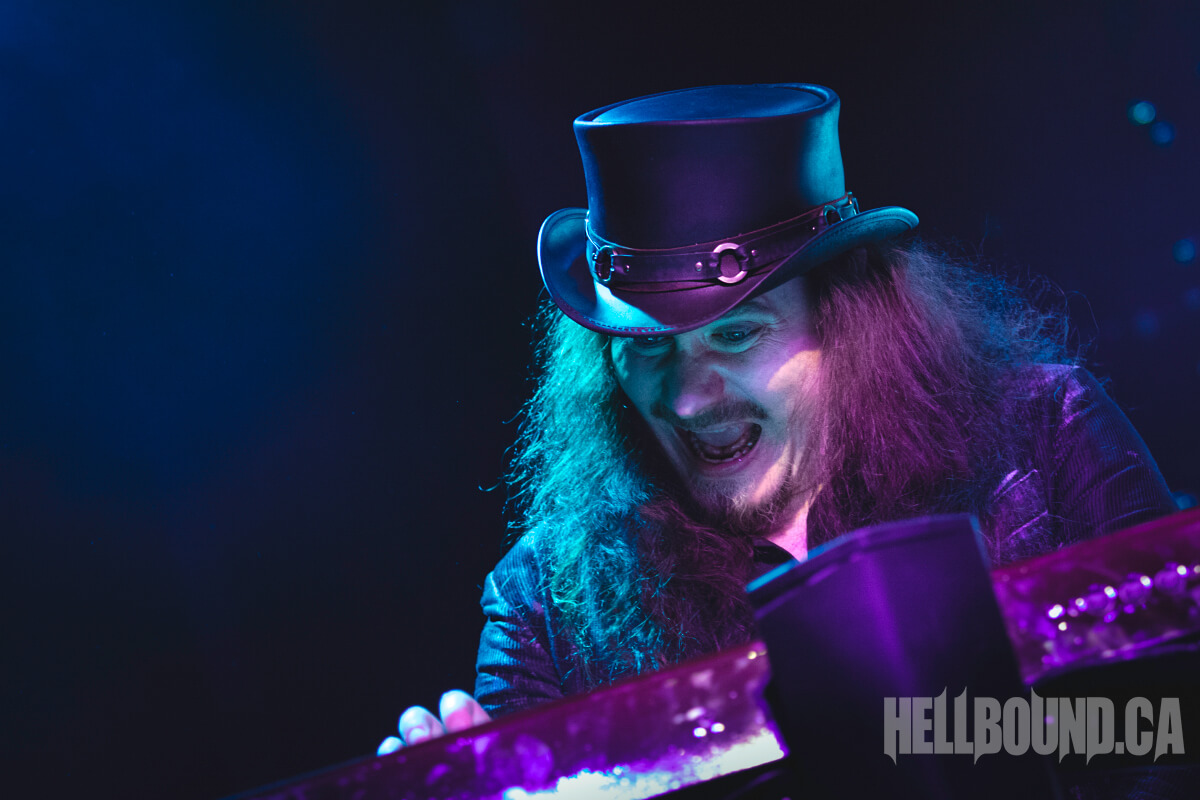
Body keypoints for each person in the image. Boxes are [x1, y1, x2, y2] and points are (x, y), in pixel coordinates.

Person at [378, 83, 1176, 754]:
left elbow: (1169, 731)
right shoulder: (546, 602)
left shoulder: (1047, 433)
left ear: (846, 318)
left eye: (736, 334)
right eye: (647, 348)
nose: (687, 399)